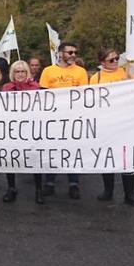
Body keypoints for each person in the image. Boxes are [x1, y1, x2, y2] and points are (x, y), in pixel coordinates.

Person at [89, 47, 134, 207]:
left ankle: (129, 194)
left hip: (125, 122)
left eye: (117, 58)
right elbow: (90, 99)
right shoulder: (96, 78)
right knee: (107, 157)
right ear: (102, 62)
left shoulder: (126, 72)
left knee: (127, 159)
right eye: (111, 60)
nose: (116, 62)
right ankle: (108, 190)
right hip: (106, 123)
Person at [38, 42, 88, 199]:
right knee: (52, 149)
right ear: (60, 54)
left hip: (73, 118)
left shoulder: (81, 72)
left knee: (72, 151)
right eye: (70, 52)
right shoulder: (48, 71)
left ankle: (74, 184)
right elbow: (43, 94)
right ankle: (49, 183)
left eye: (75, 52)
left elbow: (84, 95)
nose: (73, 55)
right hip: (52, 118)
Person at [0, 60, 44, 203]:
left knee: (34, 159)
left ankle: (38, 190)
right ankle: (11, 188)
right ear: (13, 73)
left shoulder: (35, 88)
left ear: (27, 73)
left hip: (31, 128)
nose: (20, 74)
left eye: (23, 71)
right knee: (10, 159)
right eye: (17, 71)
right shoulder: (6, 88)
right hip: (11, 129)